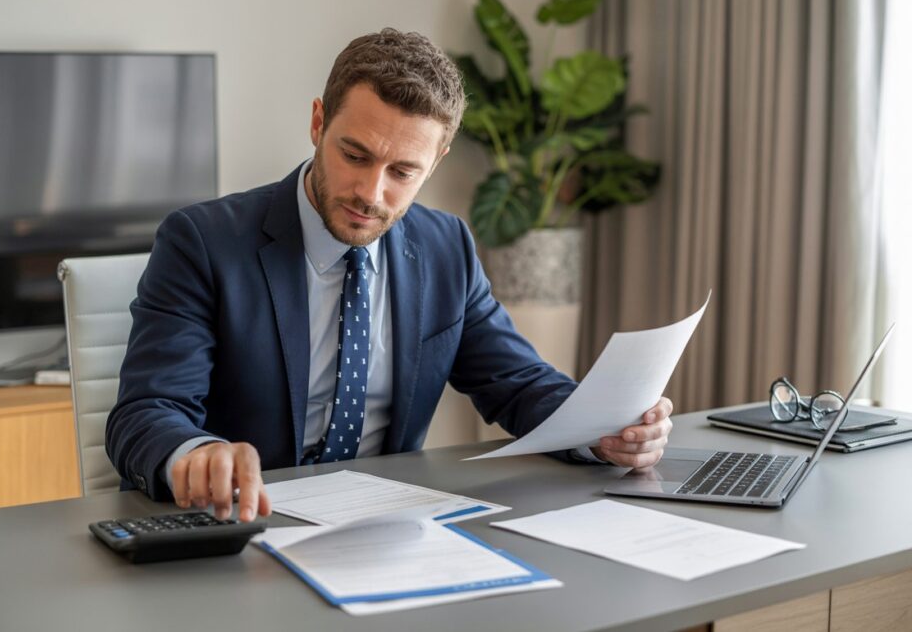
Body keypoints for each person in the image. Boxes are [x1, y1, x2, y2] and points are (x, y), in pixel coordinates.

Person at [107, 28, 673, 523]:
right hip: (250, 525)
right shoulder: (203, 242)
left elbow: (520, 385)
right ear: (317, 122)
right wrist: (196, 454)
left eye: (403, 171)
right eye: (355, 155)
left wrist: (604, 430)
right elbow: (145, 411)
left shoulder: (444, 246)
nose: (371, 194)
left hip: (388, 529)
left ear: (438, 159)